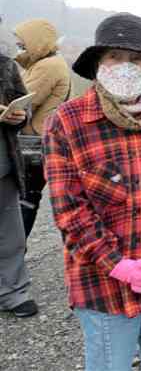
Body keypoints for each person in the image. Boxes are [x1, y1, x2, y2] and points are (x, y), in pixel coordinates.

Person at [43, 13, 141, 370]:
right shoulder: (67, 122)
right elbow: (70, 211)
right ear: (98, 65)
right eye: (114, 57)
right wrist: (120, 266)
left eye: (137, 59)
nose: (125, 67)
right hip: (103, 281)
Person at [13, 18, 71, 237]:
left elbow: (21, 99)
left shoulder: (48, 66)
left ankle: (14, 253)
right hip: (35, 142)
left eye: (23, 42)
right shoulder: (40, 63)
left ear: (36, 41)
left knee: (24, 200)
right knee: (26, 199)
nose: (20, 46)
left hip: (33, 144)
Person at [0, 18, 37, 319]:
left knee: (11, 234)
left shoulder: (6, 66)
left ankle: (14, 292)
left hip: (3, 162)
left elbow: (22, 106)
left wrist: (19, 116)